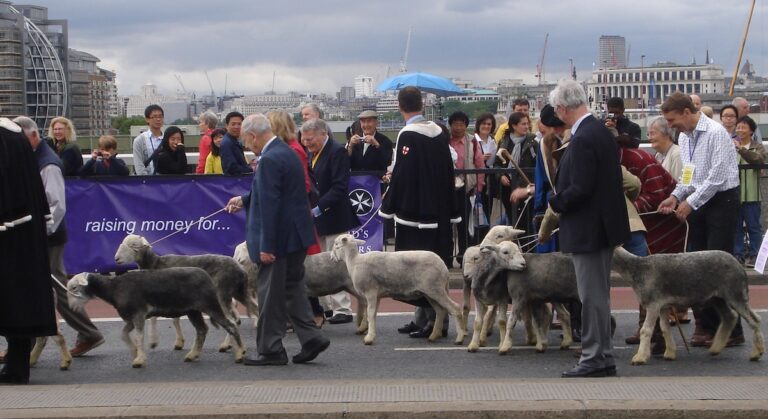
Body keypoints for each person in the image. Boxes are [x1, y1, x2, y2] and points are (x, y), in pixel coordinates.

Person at [225, 113, 329, 366]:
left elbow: (271, 204)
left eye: (248, 143)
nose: (248, 148)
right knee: (293, 287)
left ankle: (271, 349)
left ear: (252, 135)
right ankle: (311, 337)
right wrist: (246, 199)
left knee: (269, 295)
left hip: (278, 239)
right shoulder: (287, 151)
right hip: (296, 235)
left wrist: (267, 247)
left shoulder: (269, 159)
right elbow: (279, 191)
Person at [547, 80, 629, 378]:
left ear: (562, 108)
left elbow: (580, 188)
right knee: (599, 295)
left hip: (588, 228)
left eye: (557, 110)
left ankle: (594, 357)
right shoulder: (599, 131)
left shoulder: (582, 138)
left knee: (591, 296)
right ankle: (602, 355)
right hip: (603, 226)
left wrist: (556, 202)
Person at [13, 116, 105, 358]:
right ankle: (24, 342)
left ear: (31, 136)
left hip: (47, 234)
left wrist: (39, 233)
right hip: (42, 232)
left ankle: (88, 332)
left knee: (57, 287)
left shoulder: (48, 164)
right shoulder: (36, 157)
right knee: (44, 286)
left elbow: (57, 206)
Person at [658, 91, 742, 348]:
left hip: (722, 201)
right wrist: (675, 196)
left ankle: (731, 328)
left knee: (717, 266)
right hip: (700, 200)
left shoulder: (717, 134)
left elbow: (716, 178)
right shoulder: (685, 137)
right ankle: (707, 324)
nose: (670, 126)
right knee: (697, 265)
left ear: (686, 112)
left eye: (672, 120)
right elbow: (689, 176)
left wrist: (690, 202)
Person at [380, 86, 459, 339]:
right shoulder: (438, 132)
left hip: (416, 213)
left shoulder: (407, 135)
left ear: (400, 106)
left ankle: (436, 320)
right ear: (422, 105)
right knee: (433, 266)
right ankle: (423, 318)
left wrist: (389, 204)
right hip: (439, 209)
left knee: (417, 270)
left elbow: (403, 173)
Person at [0, 118, 58, 385]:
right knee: (20, 298)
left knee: (11, 298)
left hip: (8, 228)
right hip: (25, 229)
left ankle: (15, 367)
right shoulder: (15, 135)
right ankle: (16, 366)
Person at [267, 110, 325, 327]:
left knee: (297, 270)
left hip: (294, 217)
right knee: (293, 270)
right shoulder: (288, 148)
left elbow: (303, 185)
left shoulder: (292, 150)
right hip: (293, 216)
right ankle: (302, 317)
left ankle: (314, 314)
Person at [302, 118, 359, 325]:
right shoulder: (311, 153)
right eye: (304, 140)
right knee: (321, 263)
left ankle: (343, 308)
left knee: (338, 263)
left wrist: (317, 209)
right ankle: (326, 308)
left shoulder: (337, 151)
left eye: (310, 139)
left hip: (334, 215)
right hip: (317, 218)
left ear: (322, 134)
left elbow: (339, 187)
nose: (307, 143)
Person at [448, 110, 485, 263]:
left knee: (465, 225)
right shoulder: (445, 141)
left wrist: (478, 188)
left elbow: (480, 165)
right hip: (447, 189)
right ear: (450, 126)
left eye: (461, 124)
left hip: (466, 189)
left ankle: (464, 255)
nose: (458, 128)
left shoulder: (472, 142)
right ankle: (447, 255)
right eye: (455, 124)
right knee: (447, 224)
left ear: (466, 126)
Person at [493, 112, 536, 228]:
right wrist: (501, 175)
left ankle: (524, 245)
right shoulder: (504, 142)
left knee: (525, 223)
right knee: (512, 221)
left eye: (527, 124)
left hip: (526, 187)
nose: (526, 127)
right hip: (508, 188)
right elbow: (497, 164)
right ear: (514, 126)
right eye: (523, 124)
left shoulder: (532, 142)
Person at [733, 116, 765, 267]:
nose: (740, 130)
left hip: (751, 193)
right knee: (736, 226)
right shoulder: (730, 145)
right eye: (738, 127)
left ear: (751, 130)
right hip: (734, 193)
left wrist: (741, 150)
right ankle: (737, 255)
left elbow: (759, 160)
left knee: (754, 226)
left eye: (743, 127)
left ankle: (755, 255)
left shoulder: (757, 146)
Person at [474, 112, 497, 221]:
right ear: (478, 124)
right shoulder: (472, 141)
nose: (486, 126)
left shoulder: (493, 141)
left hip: (489, 182)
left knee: (487, 211)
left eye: (489, 124)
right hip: (476, 181)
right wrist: (480, 159)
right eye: (484, 123)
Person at [132, 104, 164, 175]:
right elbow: (139, 166)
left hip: (165, 182)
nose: (158, 119)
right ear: (147, 119)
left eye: (160, 116)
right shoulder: (139, 141)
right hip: (147, 182)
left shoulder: (167, 139)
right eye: (154, 117)